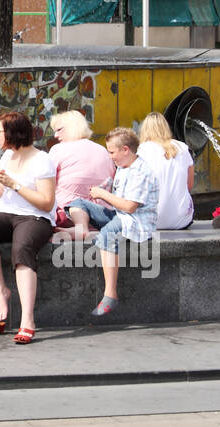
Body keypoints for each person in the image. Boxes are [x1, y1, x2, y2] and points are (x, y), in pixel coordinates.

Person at [0, 111, 57, 344]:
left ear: (11, 133)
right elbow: (3, 197)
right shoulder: (7, 156)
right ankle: (1, 291)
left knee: (22, 249)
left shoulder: (42, 159)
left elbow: (46, 202)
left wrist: (14, 184)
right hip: (6, 212)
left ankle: (27, 320)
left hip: (35, 217)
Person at [64, 127, 159, 317]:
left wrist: (103, 194)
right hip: (120, 215)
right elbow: (119, 198)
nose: (110, 156)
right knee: (77, 203)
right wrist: (106, 188)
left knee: (108, 233)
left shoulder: (141, 172)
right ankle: (81, 229)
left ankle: (110, 294)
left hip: (136, 221)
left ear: (125, 149)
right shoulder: (123, 167)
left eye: (112, 152)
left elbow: (130, 207)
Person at [47, 110, 113, 239]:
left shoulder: (58, 150)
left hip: (67, 216)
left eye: (59, 129)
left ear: (72, 126)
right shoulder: (103, 151)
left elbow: (46, 183)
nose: (55, 135)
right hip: (101, 217)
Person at [137, 112, 194, 230]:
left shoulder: (140, 151)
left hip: (148, 222)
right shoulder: (182, 147)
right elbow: (189, 185)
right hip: (181, 220)